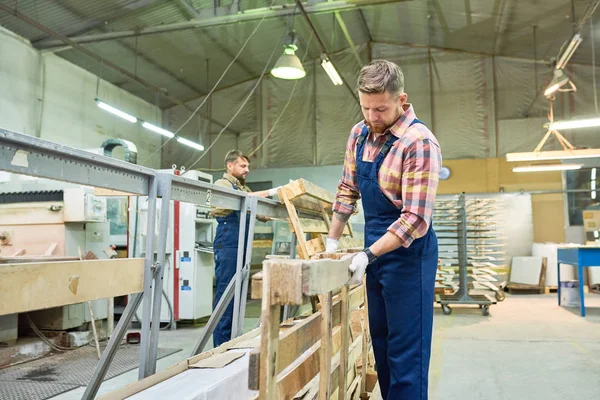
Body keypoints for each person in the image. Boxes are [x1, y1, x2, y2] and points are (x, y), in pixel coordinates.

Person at [326, 60, 442, 399]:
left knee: (407, 353)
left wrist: (367, 254)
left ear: (401, 100)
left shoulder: (419, 142)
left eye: (381, 109)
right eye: (366, 108)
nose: (372, 116)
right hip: (373, 252)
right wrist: (333, 241)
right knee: (382, 343)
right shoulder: (359, 133)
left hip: (409, 256)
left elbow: (415, 219)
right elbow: (348, 189)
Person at [212, 149, 279, 347]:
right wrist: (272, 192)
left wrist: (281, 205)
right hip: (229, 241)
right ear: (229, 166)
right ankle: (220, 346)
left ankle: (232, 341)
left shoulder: (244, 189)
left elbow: (262, 213)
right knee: (227, 293)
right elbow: (241, 200)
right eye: (243, 166)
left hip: (240, 243)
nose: (247, 169)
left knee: (239, 293)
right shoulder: (222, 184)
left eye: (248, 166)